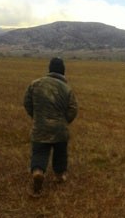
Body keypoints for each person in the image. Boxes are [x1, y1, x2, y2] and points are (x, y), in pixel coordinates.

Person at [23, 57, 78, 197]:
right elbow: (73, 109)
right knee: (60, 153)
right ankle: (59, 175)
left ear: (49, 69)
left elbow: (27, 103)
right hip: (60, 129)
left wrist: (36, 117)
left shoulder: (35, 84)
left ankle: (38, 172)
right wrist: (65, 121)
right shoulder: (67, 88)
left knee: (39, 152)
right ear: (63, 71)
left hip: (40, 128)